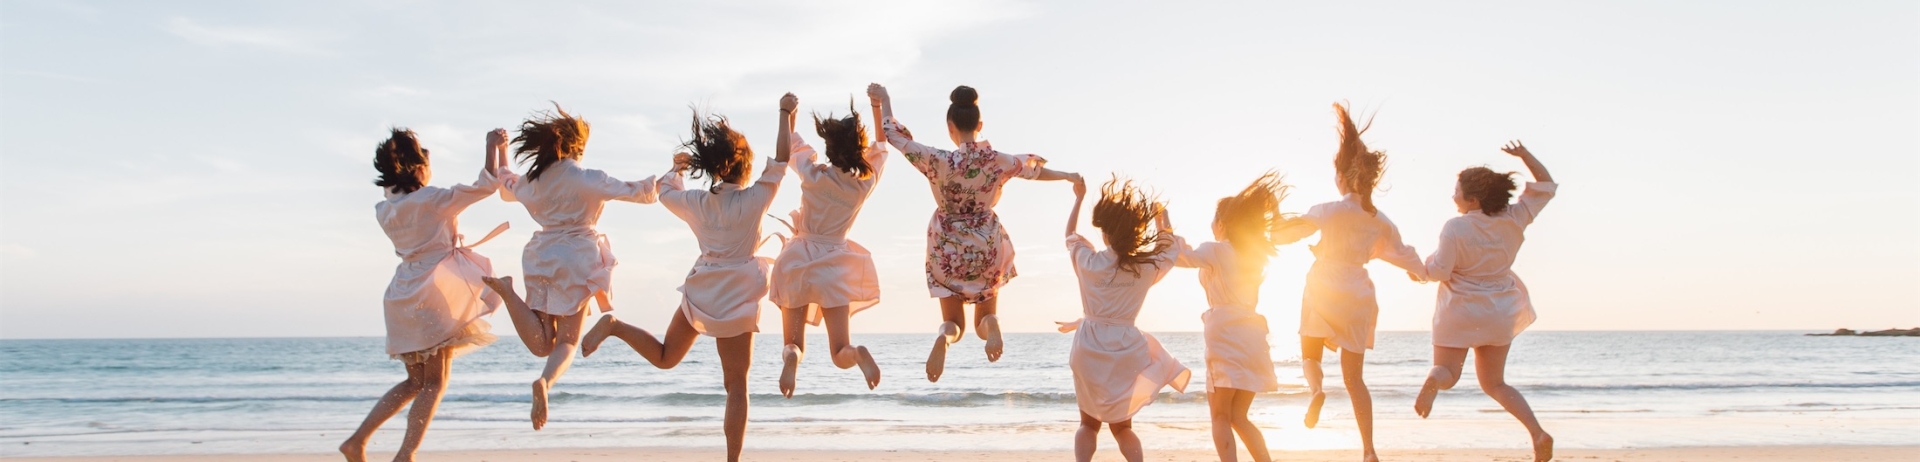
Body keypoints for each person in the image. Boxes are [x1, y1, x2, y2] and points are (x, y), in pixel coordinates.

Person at [579, 93, 798, 462]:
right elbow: (781, 160)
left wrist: (677, 166)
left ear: (715, 168)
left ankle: (614, 325)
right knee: (736, 387)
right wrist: (785, 114)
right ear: (744, 168)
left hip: (701, 290)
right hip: (736, 295)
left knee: (666, 358)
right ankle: (732, 460)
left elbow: (664, 189)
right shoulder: (756, 198)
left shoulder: (697, 202)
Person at [867, 83, 1082, 382]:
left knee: (954, 322)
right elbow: (1032, 169)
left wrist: (884, 100)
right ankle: (992, 324)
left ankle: (945, 337)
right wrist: (1067, 176)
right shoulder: (996, 160)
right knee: (984, 315)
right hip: (986, 244)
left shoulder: (938, 159)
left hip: (947, 246)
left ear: (949, 127)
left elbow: (893, 136)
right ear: (980, 125)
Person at [480, 104, 666, 430]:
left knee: (542, 345)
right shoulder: (586, 178)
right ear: (576, 147)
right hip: (578, 257)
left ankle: (509, 294)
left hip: (540, 255)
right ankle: (545, 383)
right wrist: (674, 174)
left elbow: (505, 183)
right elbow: (641, 192)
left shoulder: (534, 181)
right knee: (566, 341)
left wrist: (499, 148)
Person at [1270, 103, 1427, 462]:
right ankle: (1369, 449)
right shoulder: (1378, 218)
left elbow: (1284, 236)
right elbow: (1405, 255)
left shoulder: (1328, 210)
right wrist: (1422, 273)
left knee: (1310, 350)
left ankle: (1315, 390)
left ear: (1341, 177)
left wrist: (1274, 219)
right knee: (1355, 380)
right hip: (1358, 293)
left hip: (1324, 286)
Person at [342, 128, 510, 462]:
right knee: (435, 382)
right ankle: (406, 455)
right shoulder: (432, 200)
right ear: (417, 168)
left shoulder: (385, 209)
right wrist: (493, 147)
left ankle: (357, 441)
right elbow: (486, 185)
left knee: (413, 382)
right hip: (431, 290)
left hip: (402, 293)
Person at [1409, 140, 1557, 462]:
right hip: (1500, 311)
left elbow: (1440, 271)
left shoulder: (1455, 226)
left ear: (1472, 199)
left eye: (1457, 191)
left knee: (1448, 372)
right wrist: (1525, 156)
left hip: (1459, 310)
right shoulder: (1514, 218)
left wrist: (1419, 273)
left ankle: (1433, 380)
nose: (1453, 196)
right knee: (1495, 383)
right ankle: (1537, 432)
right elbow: (1546, 186)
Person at [1057, 177, 1192, 462]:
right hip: (1125, 350)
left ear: (1105, 233)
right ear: (1133, 234)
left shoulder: (1089, 262)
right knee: (1122, 427)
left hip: (1088, 347)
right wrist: (1162, 219)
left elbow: (1070, 234)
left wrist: (1079, 198)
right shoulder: (1142, 268)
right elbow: (1169, 248)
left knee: (1088, 424)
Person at [1171, 172, 1298, 462]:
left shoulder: (1216, 250)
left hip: (1225, 333)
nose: (1211, 226)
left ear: (1222, 224)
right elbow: (1195, 257)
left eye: (1214, 221)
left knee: (1219, 415)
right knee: (1239, 416)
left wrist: (1167, 236)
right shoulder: (1254, 256)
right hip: (1252, 335)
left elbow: (1182, 259)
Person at [768, 96, 889, 396]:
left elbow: (789, 145)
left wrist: (788, 113)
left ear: (829, 148)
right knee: (839, 350)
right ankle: (857, 353)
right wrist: (878, 107)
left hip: (798, 260)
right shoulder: (863, 183)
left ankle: (792, 358)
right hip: (835, 265)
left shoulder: (813, 174)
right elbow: (882, 145)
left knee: (793, 343)